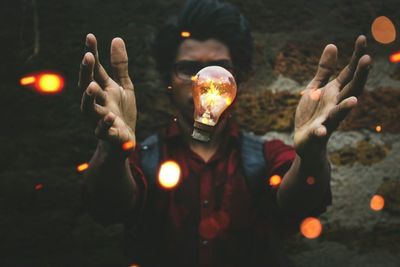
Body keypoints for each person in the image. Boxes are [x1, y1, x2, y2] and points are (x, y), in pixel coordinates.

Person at [78, 0, 371, 266]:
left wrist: (311, 156)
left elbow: (300, 203)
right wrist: (111, 151)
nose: (205, 83)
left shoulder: (265, 158)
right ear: (168, 78)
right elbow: (109, 208)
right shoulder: (143, 160)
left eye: (219, 69)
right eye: (188, 69)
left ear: (237, 79)